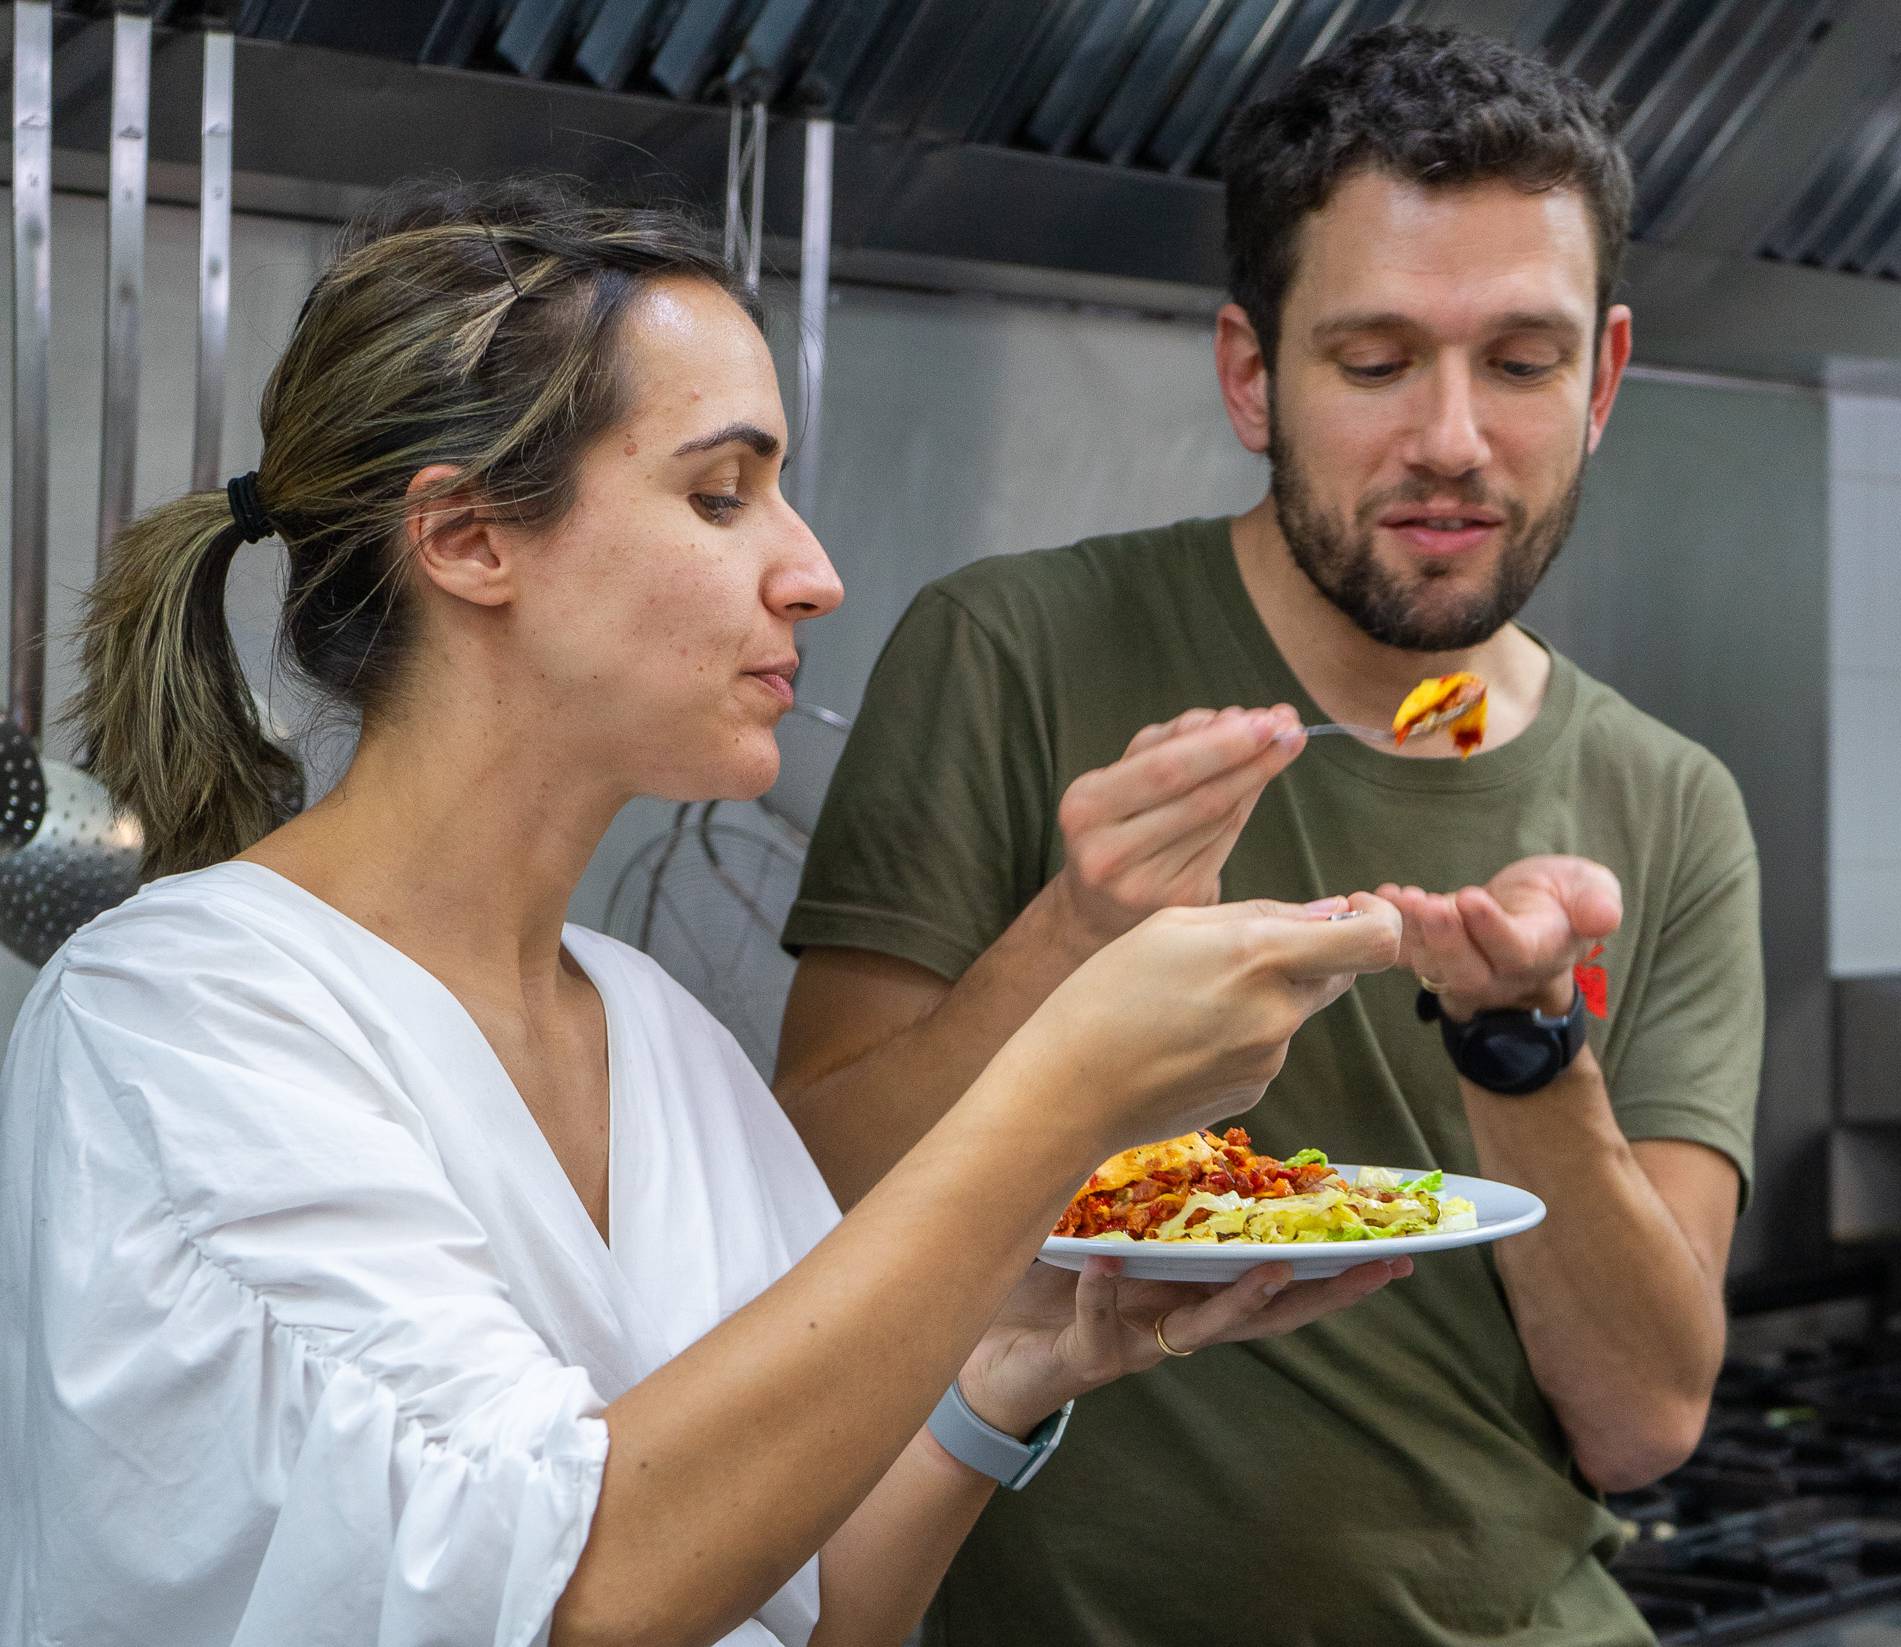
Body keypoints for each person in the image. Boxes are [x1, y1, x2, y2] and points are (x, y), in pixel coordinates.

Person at [0, 176, 1414, 1647]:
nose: (812, 574)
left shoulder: (662, 1038)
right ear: (470, 538)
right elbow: (577, 1595)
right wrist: (1067, 1088)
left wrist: (1014, 1369)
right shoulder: (181, 1018)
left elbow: (806, 1603)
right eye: (720, 494)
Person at [777, 24, 1761, 1646]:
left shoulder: (1669, 800)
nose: (1450, 437)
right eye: (1373, 363)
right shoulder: (1011, 652)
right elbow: (806, 1209)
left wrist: (1521, 1044)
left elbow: (1642, 1419)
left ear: (1598, 379)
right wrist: (1072, 937)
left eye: (1518, 363)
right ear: (1253, 374)